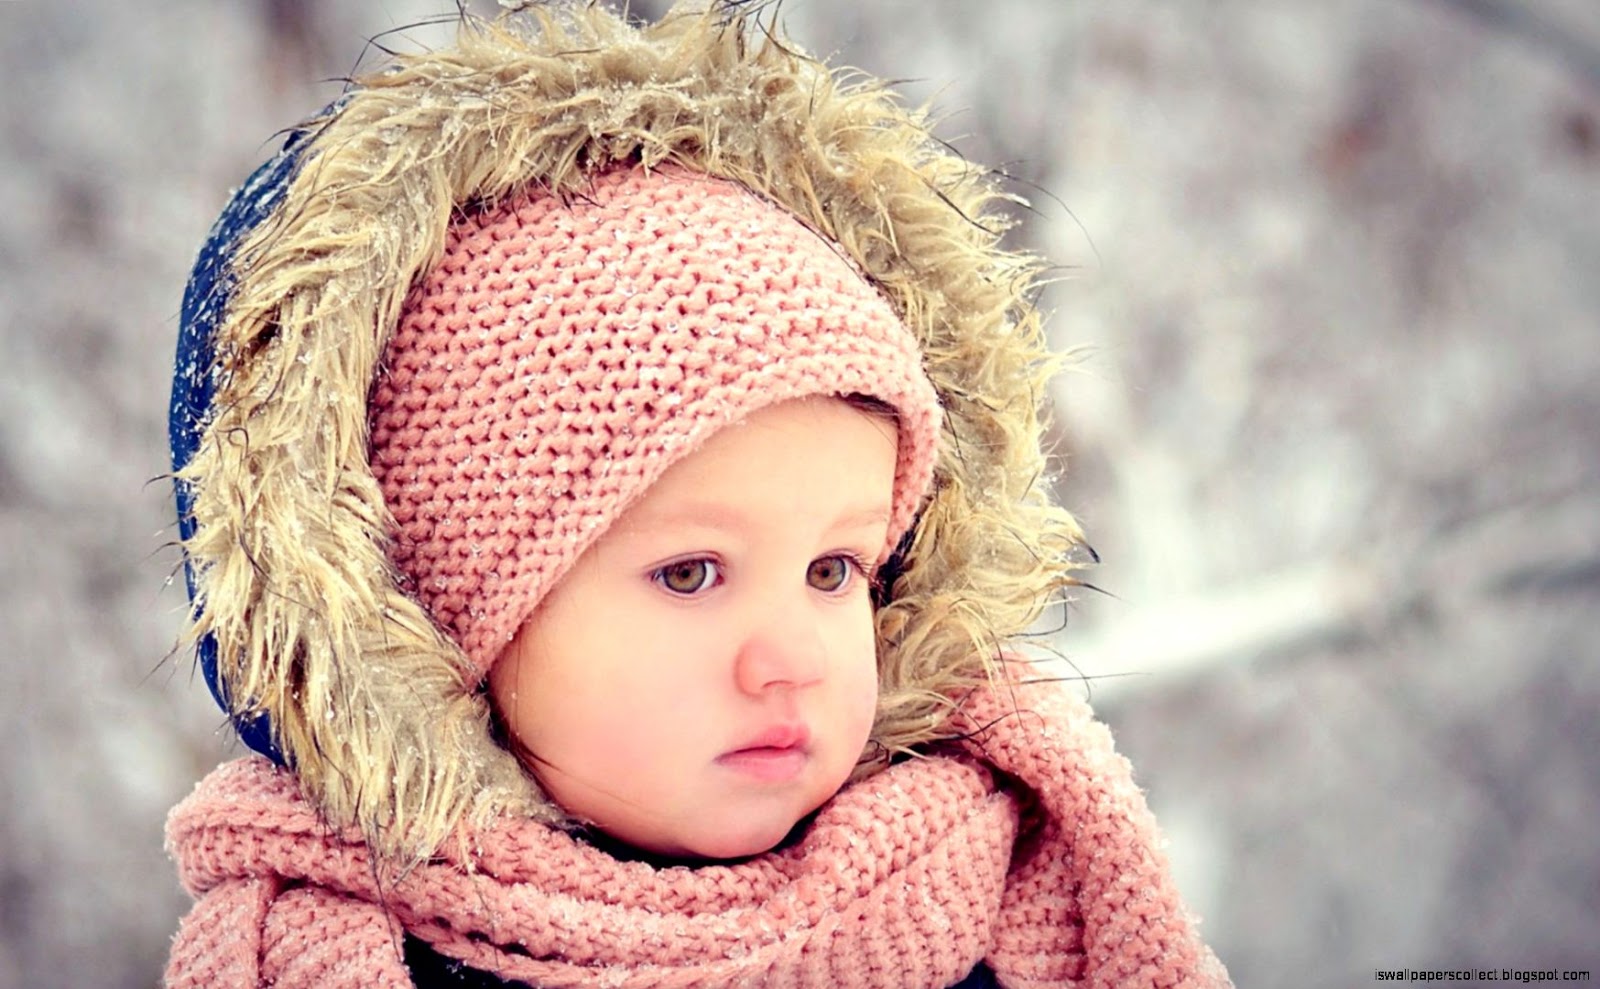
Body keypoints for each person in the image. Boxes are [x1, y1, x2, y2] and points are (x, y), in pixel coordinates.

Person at [162, 3, 1231, 987]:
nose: (792, 657)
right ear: (443, 630)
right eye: (690, 572)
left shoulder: (996, 891)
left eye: (833, 569)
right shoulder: (326, 951)